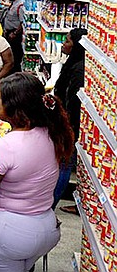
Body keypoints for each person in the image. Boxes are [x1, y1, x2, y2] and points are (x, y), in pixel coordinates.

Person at [0, 73, 74, 272]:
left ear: (15, 105)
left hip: (8, 233)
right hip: (45, 228)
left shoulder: (6, 146)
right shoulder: (51, 134)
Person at [53, 28, 88, 213]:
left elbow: (74, 102)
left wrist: (68, 127)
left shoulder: (78, 70)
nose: (63, 44)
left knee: (65, 163)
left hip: (72, 126)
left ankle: (55, 199)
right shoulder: (74, 64)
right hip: (70, 123)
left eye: (67, 41)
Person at [3, 0, 25, 73]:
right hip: (9, 33)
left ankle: (15, 72)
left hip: (15, 35)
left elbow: (22, 22)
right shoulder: (14, 3)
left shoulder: (20, 5)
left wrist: (15, 33)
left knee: (15, 55)